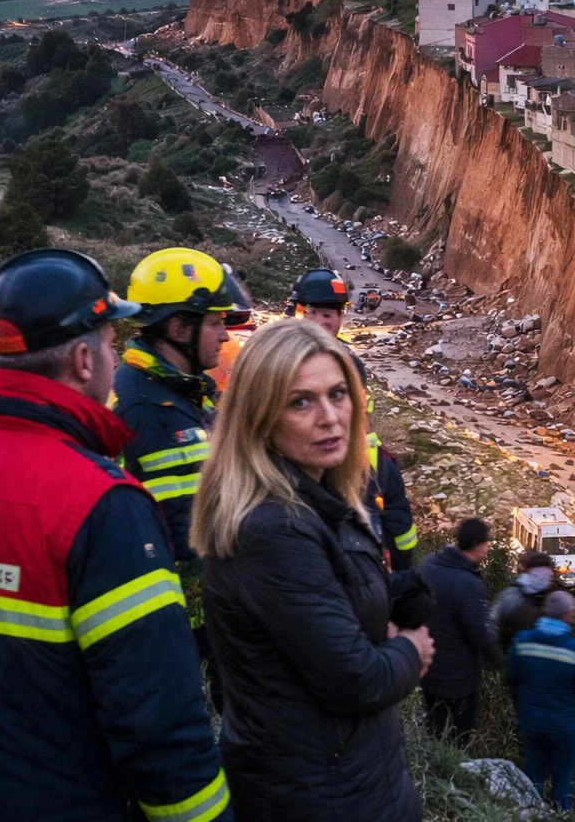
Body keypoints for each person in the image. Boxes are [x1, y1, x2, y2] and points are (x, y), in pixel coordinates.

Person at [0, 248, 231, 822]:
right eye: (107, 340)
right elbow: (158, 725)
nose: (116, 354)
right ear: (82, 360)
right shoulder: (101, 505)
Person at [191, 318, 434, 822]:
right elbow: (357, 681)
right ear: (260, 418)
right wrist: (411, 651)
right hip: (318, 795)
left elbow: (324, 610)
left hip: (350, 779)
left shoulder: (318, 499)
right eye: (301, 402)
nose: (330, 418)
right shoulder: (273, 530)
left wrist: (390, 600)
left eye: (338, 394)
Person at [113, 248, 251, 563]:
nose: (225, 336)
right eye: (215, 323)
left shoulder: (186, 390)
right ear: (179, 330)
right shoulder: (141, 408)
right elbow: (178, 538)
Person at [289, 267, 418, 568]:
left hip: (356, 471)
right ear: (300, 312)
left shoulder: (350, 364)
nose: (331, 321)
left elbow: (361, 425)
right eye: (322, 313)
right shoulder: (282, 363)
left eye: (336, 313)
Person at [506, 590, 575, 814]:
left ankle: (531, 814)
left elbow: (510, 677)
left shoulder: (522, 641)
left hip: (531, 722)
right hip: (564, 727)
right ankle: (561, 815)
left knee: (533, 774)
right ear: (567, 615)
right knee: (563, 778)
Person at [420, 516, 501, 746]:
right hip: (458, 679)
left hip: (428, 668)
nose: (487, 549)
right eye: (486, 544)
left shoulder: (429, 565)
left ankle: (435, 766)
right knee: (458, 739)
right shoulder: (468, 583)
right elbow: (479, 632)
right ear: (476, 546)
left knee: (435, 732)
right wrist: (498, 659)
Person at [491, 554, 555, 654]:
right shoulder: (511, 597)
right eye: (548, 576)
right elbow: (491, 626)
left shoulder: (543, 597)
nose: (550, 581)